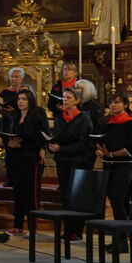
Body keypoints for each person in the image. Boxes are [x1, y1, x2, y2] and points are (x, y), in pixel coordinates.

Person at [96, 93, 132, 253]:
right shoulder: (108, 124)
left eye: (117, 102)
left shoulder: (131, 124)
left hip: (123, 166)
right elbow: (101, 141)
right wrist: (99, 150)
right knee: (114, 202)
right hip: (109, 166)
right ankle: (117, 239)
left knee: (118, 202)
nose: (113, 105)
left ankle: (123, 242)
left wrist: (112, 154)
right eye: (111, 102)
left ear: (125, 105)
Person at [47, 87, 92, 240]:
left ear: (77, 101)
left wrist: (61, 148)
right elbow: (57, 138)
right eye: (64, 97)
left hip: (78, 161)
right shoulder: (60, 118)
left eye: (69, 97)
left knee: (76, 195)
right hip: (62, 160)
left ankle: (76, 230)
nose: (65, 100)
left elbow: (83, 143)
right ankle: (67, 229)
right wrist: (52, 146)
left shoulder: (84, 119)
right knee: (65, 194)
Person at [5, 89, 49, 235]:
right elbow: (11, 136)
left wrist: (21, 145)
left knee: (31, 194)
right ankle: (18, 226)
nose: (20, 102)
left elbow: (41, 140)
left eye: (24, 99)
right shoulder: (15, 117)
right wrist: (10, 143)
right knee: (18, 193)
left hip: (31, 159)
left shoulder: (37, 117)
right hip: (16, 159)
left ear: (30, 100)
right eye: (19, 99)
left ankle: (32, 227)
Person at [76, 79, 105, 170]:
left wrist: (83, 131)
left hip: (89, 145)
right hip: (75, 145)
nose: (75, 90)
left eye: (78, 88)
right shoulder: (76, 105)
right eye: (75, 87)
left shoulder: (95, 107)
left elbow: (100, 127)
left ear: (86, 90)